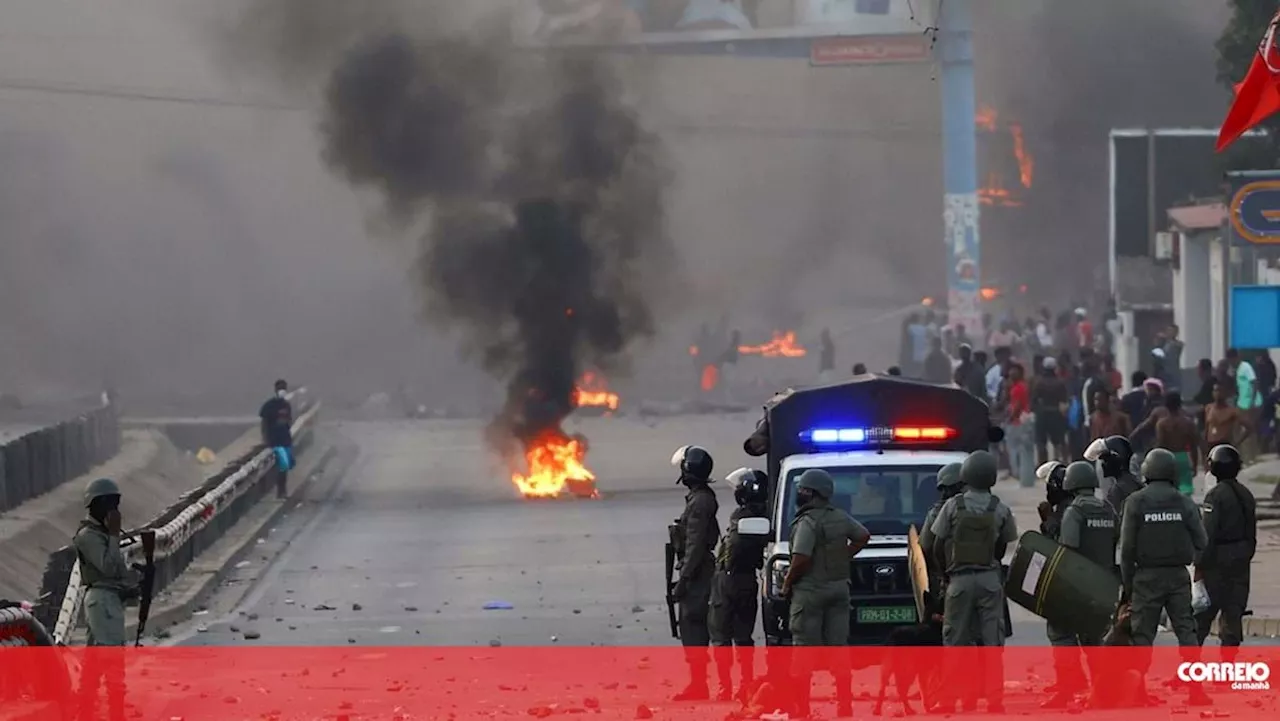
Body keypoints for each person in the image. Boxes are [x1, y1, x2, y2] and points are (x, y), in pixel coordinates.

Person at [1118, 448, 1210, 706]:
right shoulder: (1185, 502)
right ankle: (1195, 692)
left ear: (1147, 471)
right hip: (1178, 577)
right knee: (1187, 633)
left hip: (1145, 578)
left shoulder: (1135, 502)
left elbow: (1126, 550)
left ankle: (1137, 694)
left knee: (1142, 637)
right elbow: (1202, 541)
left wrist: (1128, 587)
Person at [928, 450, 1017, 714]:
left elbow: (936, 544)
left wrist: (946, 573)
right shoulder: (1000, 508)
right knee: (992, 642)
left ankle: (951, 699)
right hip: (990, 580)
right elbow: (1003, 545)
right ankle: (994, 701)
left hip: (959, 580)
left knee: (955, 642)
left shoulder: (953, 506)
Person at [781, 469, 871, 718]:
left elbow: (801, 558)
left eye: (803, 490)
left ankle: (802, 709)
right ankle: (845, 706)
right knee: (839, 648)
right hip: (839, 588)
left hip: (810, 591)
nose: (799, 494)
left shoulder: (807, 522)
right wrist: (843, 557)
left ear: (812, 493)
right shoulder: (840, 517)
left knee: (803, 650)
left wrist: (788, 583)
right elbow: (863, 536)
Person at [1043, 462, 1119, 708]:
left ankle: (1068, 688)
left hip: (1078, 583)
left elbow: (1068, 550)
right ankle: (1103, 691)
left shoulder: (1074, 511)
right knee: (1095, 639)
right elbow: (1116, 539)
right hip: (1103, 584)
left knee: (1060, 633)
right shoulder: (1107, 508)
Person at [75, 477, 140, 721]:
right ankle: (116, 714)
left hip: (108, 600)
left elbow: (118, 571)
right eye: (110, 504)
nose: (114, 511)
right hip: (102, 602)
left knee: (93, 664)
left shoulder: (101, 534)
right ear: (96, 504)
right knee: (113, 661)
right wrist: (114, 534)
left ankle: (85, 713)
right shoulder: (88, 535)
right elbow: (107, 567)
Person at [710, 468, 770, 701]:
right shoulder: (763, 516)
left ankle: (727, 686)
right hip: (744, 580)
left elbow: (731, 551)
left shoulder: (745, 517)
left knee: (721, 634)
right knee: (742, 636)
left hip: (730, 579)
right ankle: (743, 683)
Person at [1194, 445, 1257, 659]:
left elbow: (1207, 535)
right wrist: (1244, 554)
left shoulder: (1214, 496)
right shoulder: (1246, 494)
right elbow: (1252, 534)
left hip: (1217, 562)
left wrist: (1199, 565)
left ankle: (1191, 668)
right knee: (1233, 613)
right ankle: (1228, 666)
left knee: (1202, 618)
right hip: (1241, 560)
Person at [669, 445, 721, 700]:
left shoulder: (700, 501)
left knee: (693, 625)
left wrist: (684, 580)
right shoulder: (699, 498)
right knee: (694, 626)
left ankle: (700, 685)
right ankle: (699, 683)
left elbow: (696, 544)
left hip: (698, 573)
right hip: (697, 569)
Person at [919, 462, 965, 605]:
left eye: (948, 488)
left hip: (952, 580)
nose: (945, 494)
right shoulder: (991, 507)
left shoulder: (938, 512)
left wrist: (942, 574)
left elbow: (926, 547)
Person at [1153, 392, 1201, 496]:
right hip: (1183, 457)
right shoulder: (1188, 423)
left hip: (1168, 458)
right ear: (1180, 404)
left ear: (1165, 405)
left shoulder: (1162, 424)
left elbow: (1160, 444)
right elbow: (1194, 446)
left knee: (1168, 490)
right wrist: (1195, 465)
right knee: (1185, 491)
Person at [1086, 436, 1141, 515]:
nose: (1102, 464)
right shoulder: (1137, 483)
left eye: (1105, 460)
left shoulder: (1117, 491)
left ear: (1116, 460)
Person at [259, 379, 295, 499]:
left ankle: (282, 490)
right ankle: (281, 491)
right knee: (283, 465)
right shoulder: (270, 406)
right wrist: (266, 439)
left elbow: (289, 421)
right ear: (276, 390)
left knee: (287, 465)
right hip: (276, 440)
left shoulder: (286, 405)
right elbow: (264, 423)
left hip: (286, 440)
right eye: (280, 389)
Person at [1032, 358, 1069, 464]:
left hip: (1042, 414)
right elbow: (1064, 401)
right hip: (1056, 414)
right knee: (1058, 441)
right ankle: (1059, 461)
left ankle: (1042, 464)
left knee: (1041, 442)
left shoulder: (1039, 383)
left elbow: (1034, 401)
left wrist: (1037, 411)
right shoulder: (1060, 383)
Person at [1227, 348, 1262, 462]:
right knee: (1239, 428)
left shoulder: (1245, 366)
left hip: (1251, 403)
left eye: (1231, 360)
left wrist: (1252, 401)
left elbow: (1254, 382)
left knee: (1249, 429)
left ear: (1235, 358)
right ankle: (1242, 454)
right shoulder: (1236, 369)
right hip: (1242, 403)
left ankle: (1252, 456)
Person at [1004, 363, 1035, 487]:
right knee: (1023, 450)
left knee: (1014, 449)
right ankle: (1023, 474)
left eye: (1014, 371)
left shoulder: (1018, 388)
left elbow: (1017, 406)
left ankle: (1017, 473)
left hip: (1017, 422)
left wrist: (1009, 419)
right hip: (1023, 421)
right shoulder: (1021, 386)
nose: (1011, 373)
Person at [1204, 381, 1251, 456]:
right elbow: (1206, 428)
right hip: (1211, 445)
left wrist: (1237, 443)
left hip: (1225, 445)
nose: (1218, 393)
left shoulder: (1231, 411)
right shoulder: (1208, 408)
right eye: (1215, 390)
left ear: (1225, 393)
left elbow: (1249, 427)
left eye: (1220, 390)